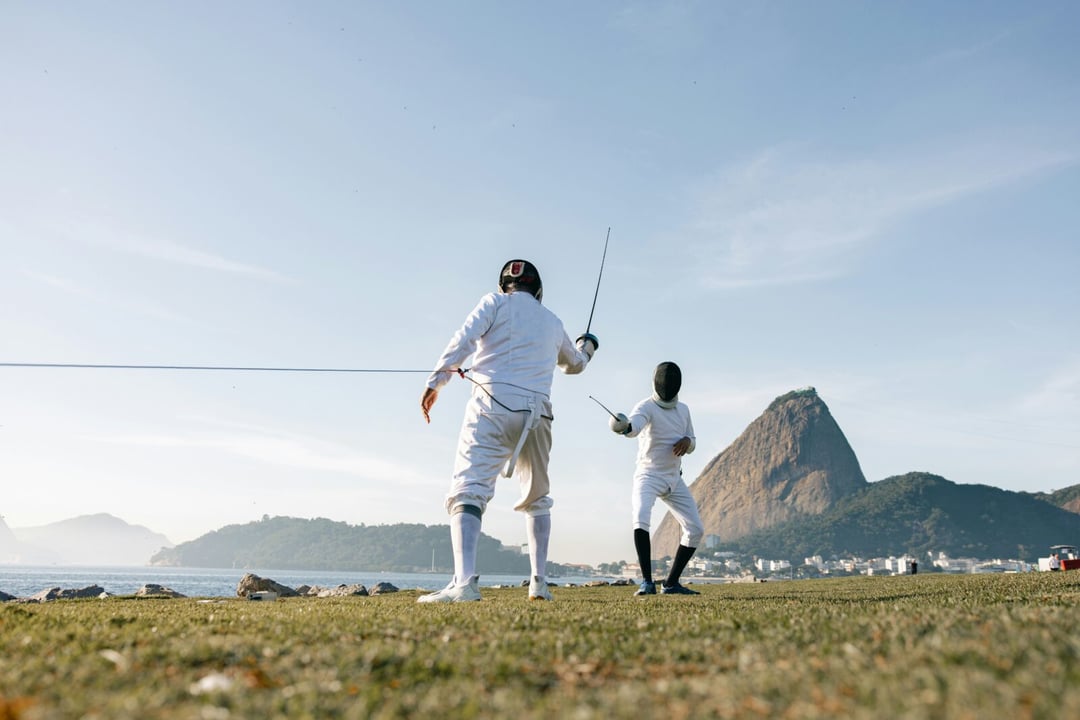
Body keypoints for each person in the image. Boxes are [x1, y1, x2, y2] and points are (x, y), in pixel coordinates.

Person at [418, 259, 598, 603]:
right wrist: (587, 346)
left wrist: (435, 383)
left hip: (491, 407)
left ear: (505, 286)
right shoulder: (552, 321)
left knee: (468, 490)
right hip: (538, 416)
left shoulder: (493, 302)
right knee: (537, 498)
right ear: (538, 290)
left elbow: (463, 340)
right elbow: (575, 364)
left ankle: (464, 583)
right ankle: (539, 584)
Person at [609, 361, 704, 595]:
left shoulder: (684, 410)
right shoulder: (647, 406)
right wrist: (624, 427)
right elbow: (634, 428)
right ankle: (647, 582)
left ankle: (671, 584)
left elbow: (692, 440)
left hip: (673, 479)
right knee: (641, 517)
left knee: (695, 529)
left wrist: (687, 442)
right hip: (648, 476)